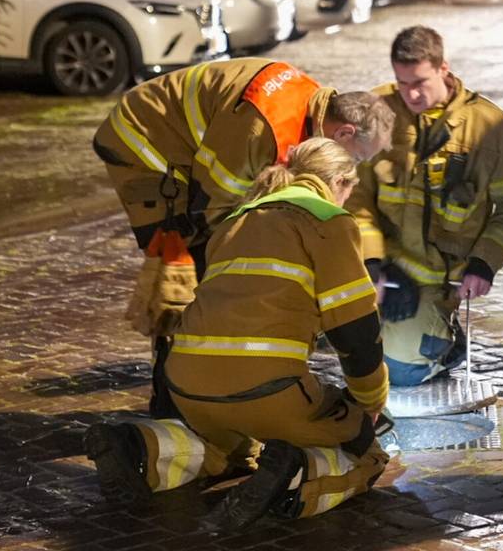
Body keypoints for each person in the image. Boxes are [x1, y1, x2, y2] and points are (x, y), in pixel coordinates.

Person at [83, 138, 390, 531]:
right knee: (364, 451)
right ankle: (298, 474)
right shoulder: (327, 219)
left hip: (187, 388)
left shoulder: (234, 221)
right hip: (269, 390)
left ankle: (137, 447)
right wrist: (369, 400)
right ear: (340, 183)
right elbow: (355, 329)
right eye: (348, 192)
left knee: (227, 450)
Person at [93, 57, 394, 418]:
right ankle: (175, 405)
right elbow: (213, 207)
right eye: (359, 157)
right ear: (344, 133)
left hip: (190, 152)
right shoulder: (262, 124)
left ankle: (199, 391)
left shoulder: (312, 110)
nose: (354, 167)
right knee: (188, 276)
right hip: (147, 148)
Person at [347, 26, 503, 387]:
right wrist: (372, 263)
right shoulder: (376, 112)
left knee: (399, 372)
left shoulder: (489, 128)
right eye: (402, 84)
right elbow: (354, 196)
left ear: (443, 68)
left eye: (420, 82)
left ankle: (445, 342)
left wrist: (483, 264)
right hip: (380, 270)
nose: (411, 94)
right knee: (341, 343)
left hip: (436, 280)